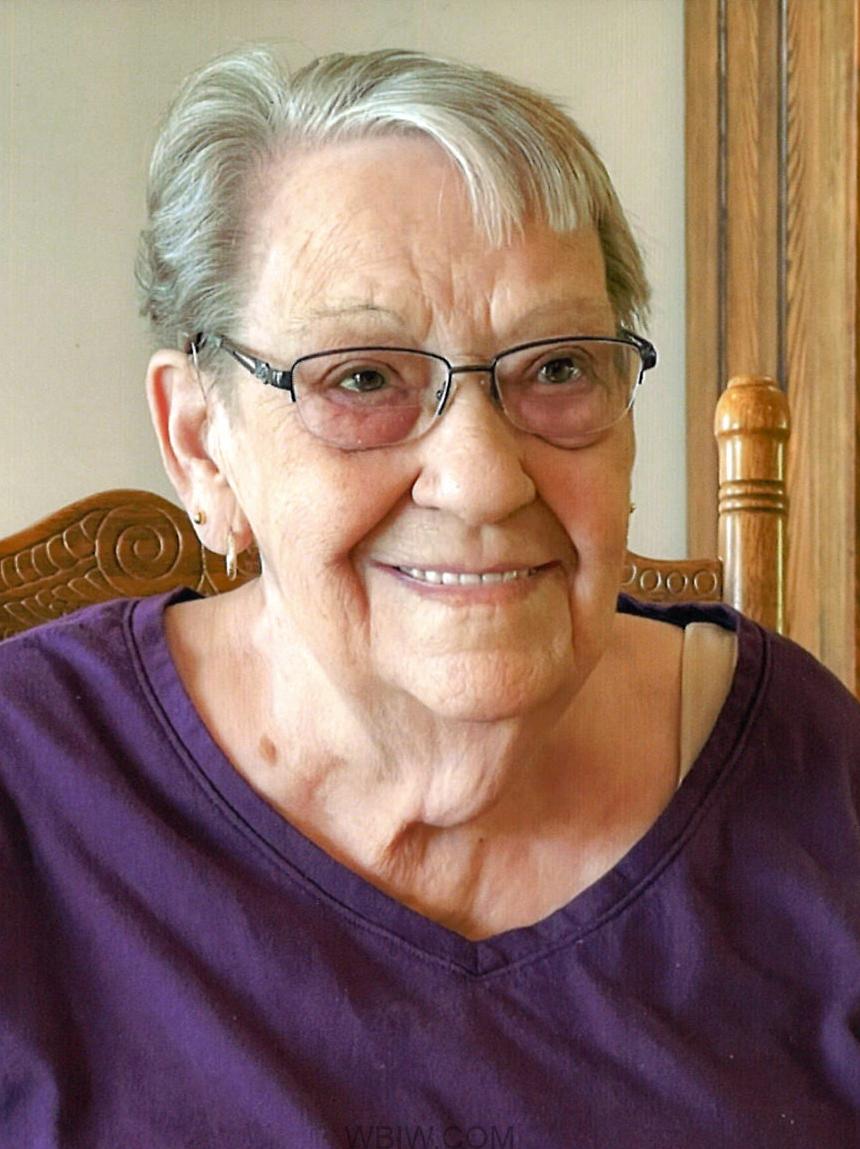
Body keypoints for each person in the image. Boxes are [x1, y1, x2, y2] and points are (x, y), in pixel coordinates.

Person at [1, 44, 858, 1149]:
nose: (484, 479)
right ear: (203, 444)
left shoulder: (807, 771)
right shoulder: (31, 789)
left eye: (557, 368)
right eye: (362, 378)